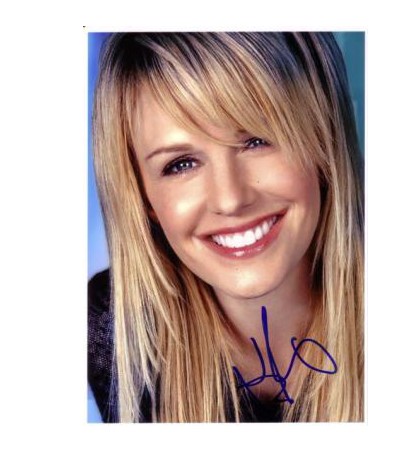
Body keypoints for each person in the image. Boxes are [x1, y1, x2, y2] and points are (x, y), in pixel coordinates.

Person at [88, 32, 364, 423]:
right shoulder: (108, 332)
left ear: (324, 138)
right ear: (144, 199)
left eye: (257, 139)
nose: (230, 199)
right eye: (181, 164)